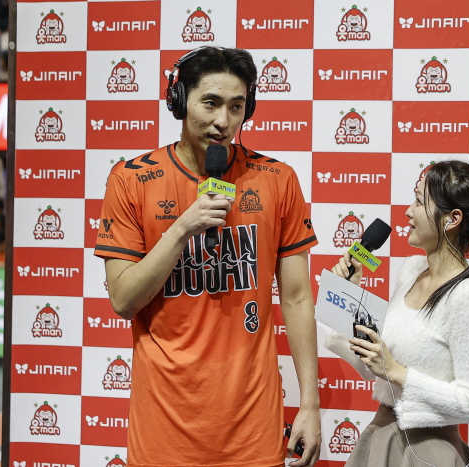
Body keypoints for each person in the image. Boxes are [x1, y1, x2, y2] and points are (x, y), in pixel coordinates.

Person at [94, 46, 321, 467]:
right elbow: (123, 300)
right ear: (180, 101)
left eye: (237, 106)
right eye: (210, 103)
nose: (224, 121)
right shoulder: (131, 180)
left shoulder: (278, 179)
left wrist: (310, 403)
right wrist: (182, 228)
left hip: (253, 429)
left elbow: (296, 298)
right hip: (163, 427)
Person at [327, 161, 469, 467]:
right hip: (381, 437)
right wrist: (348, 296)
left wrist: (397, 372)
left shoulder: (468, 296)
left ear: (452, 219)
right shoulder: (411, 270)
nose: (408, 212)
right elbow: (372, 368)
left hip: (429, 452)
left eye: (419, 201)